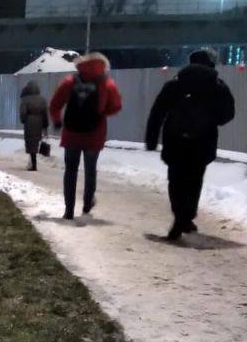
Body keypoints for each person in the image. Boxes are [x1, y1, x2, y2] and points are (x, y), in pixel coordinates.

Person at [144, 48, 235, 242]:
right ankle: (186, 217)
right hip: (203, 142)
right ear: (210, 65)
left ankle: (179, 216)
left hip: (175, 140)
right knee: (194, 181)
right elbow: (227, 114)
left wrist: (151, 139)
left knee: (175, 180)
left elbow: (157, 112)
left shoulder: (175, 84)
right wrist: (211, 118)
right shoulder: (217, 86)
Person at [48, 52, 122, 219]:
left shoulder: (70, 82)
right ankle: (87, 203)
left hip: (71, 134)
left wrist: (57, 120)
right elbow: (116, 106)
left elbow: (55, 104)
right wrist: (102, 113)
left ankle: (69, 210)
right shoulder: (107, 84)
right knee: (90, 170)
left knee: (70, 170)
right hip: (94, 134)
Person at [18, 80, 49, 171]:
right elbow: (45, 113)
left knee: (30, 141)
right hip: (39, 122)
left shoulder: (25, 99)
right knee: (36, 141)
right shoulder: (42, 99)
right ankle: (33, 162)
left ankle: (33, 163)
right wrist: (45, 124)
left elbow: (23, 112)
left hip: (29, 121)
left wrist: (23, 120)